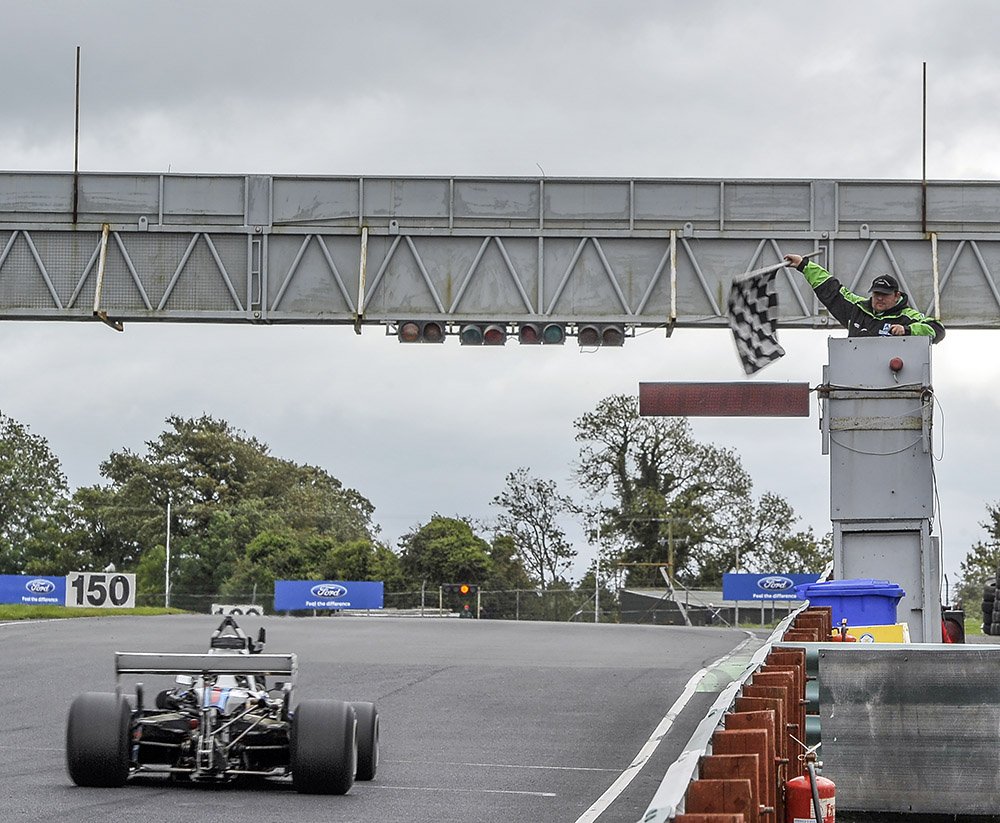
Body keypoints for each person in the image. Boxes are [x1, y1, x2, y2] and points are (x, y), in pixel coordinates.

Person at [783, 254, 945, 343]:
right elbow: (832, 289)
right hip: (855, 382)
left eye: (885, 295)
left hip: (895, 385)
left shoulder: (908, 317)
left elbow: (937, 330)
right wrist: (804, 265)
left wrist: (907, 330)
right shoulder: (857, 308)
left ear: (897, 295)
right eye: (876, 294)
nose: (879, 298)